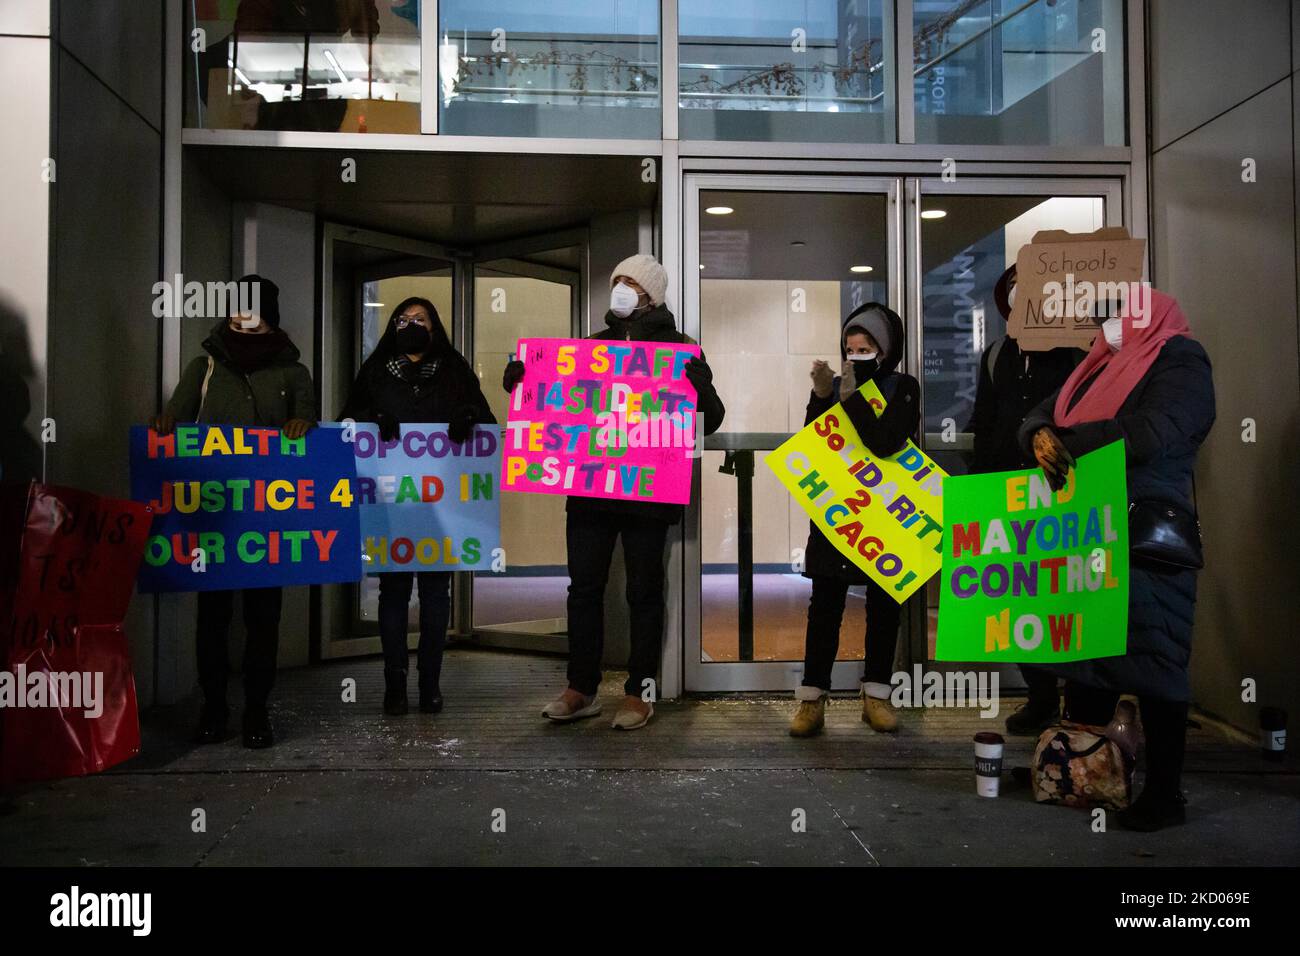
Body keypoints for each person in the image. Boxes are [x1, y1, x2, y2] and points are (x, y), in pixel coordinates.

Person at [1018, 286, 1215, 831]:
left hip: (1144, 532)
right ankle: (1079, 769)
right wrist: (1038, 436)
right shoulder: (1097, 366)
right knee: (1091, 654)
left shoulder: (1181, 358)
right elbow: (1042, 413)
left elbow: (1159, 430)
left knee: (1155, 661)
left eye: (1123, 314)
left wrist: (1070, 442)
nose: (1111, 323)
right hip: (1090, 531)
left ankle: (1164, 795)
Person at [502, 255, 725, 730]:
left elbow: (710, 421)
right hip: (590, 492)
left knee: (643, 590)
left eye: (630, 283)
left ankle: (639, 691)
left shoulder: (681, 349)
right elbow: (553, 410)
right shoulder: (589, 347)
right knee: (583, 589)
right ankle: (581, 688)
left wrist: (701, 388)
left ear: (651, 295)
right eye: (617, 280)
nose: (620, 289)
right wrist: (523, 383)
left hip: (647, 495)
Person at [151, 275, 315, 749]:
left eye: (254, 308)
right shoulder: (203, 366)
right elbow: (177, 418)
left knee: (264, 620)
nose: (245, 316)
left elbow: (310, 434)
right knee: (214, 619)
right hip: (214, 517)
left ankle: (257, 712)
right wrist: (165, 422)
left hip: (268, 520)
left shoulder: (293, 372)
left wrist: (302, 424)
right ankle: (215, 708)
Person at [341, 297, 495, 716]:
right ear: (392, 326)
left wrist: (467, 415)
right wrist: (373, 418)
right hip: (390, 505)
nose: (411, 325)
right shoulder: (374, 371)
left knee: (434, 595)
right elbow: (346, 425)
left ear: (434, 326)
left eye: (420, 319)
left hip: (440, 504)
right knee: (392, 593)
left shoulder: (453, 369)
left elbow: (487, 423)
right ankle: (395, 685)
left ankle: (430, 684)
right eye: (403, 319)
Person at [965, 265, 1084, 735]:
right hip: (1007, 492)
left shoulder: (1078, 353)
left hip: (1062, 492)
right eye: (1015, 292)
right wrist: (978, 484)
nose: (1023, 300)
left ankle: (1077, 700)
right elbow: (983, 418)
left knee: (1068, 595)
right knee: (1020, 597)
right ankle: (1040, 697)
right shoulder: (996, 354)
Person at [790, 302, 919, 737]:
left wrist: (852, 401)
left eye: (865, 348)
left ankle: (876, 697)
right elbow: (815, 440)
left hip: (886, 516)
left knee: (885, 606)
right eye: (850, 348)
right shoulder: (838, 385)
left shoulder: (904, 387)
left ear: (883, 350)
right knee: (824, 605)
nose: (856, 355)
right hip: (838, 515)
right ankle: (812, 700)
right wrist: (824, 396)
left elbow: (886, 441)